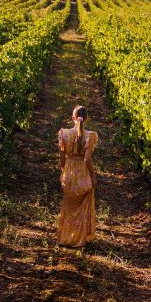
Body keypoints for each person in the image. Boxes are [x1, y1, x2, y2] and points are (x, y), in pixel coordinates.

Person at [56, 105, 98, 247]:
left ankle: (66, 237)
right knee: (81, 207)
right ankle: (79, 239)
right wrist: (93, 177)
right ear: (86, 119)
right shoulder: (90, 135)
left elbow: (62, 158)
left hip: (70, 172)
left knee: (69, 205)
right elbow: (87, 159)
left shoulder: (63, 133)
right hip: (83, 173)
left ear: (72, 117)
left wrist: (64, 171)